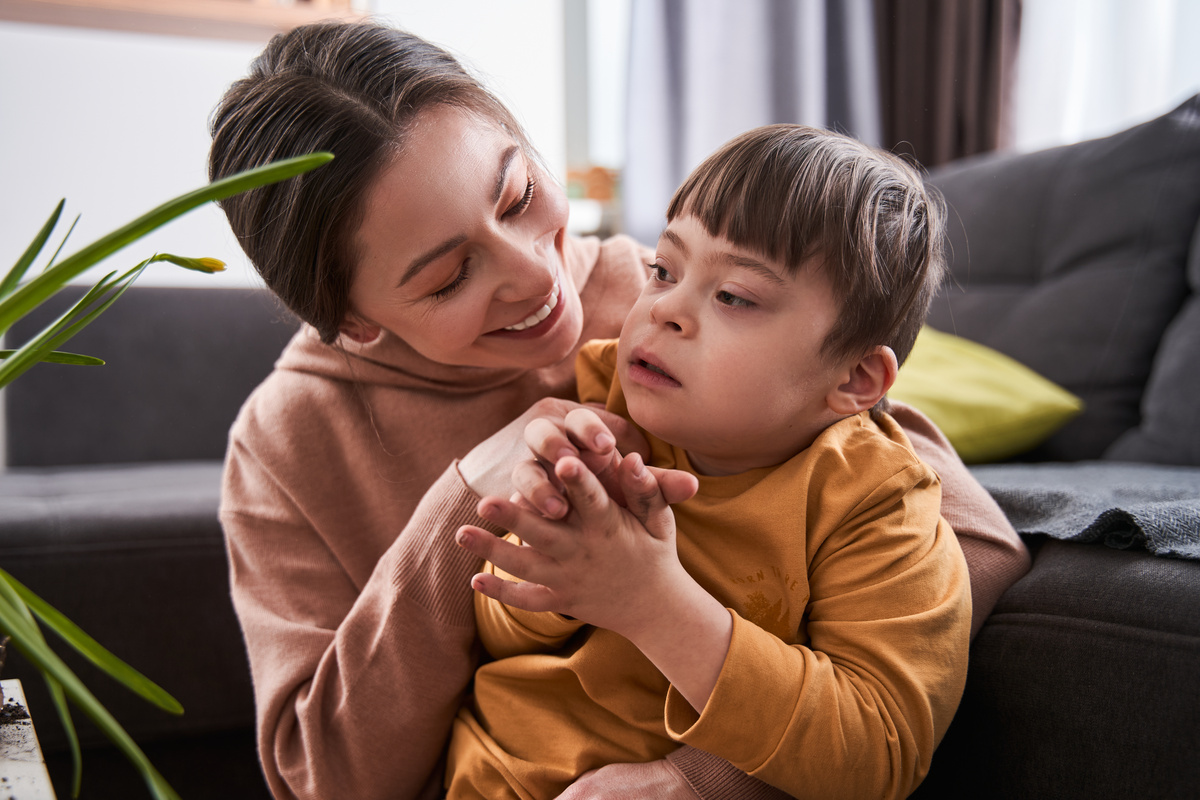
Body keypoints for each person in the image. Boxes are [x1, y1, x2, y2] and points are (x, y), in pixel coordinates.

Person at [209, 19, 1029, 800]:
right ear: (355, 320)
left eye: (519, 192)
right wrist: (462, 505)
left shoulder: (660, 299)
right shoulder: (285, 444)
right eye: (449, 277)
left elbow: (970, 539)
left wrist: (711, 779)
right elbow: (326, 778)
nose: (536, 276)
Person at [448, 124, 972, 800]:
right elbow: (498, 627)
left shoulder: (875, 502)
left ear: (855, 381)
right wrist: (553, 575)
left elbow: (878, 752)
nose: (665, 309)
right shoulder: (603, 408)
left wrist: (651, 603)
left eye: (733, 297)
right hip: (492, 777)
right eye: (663, 270)